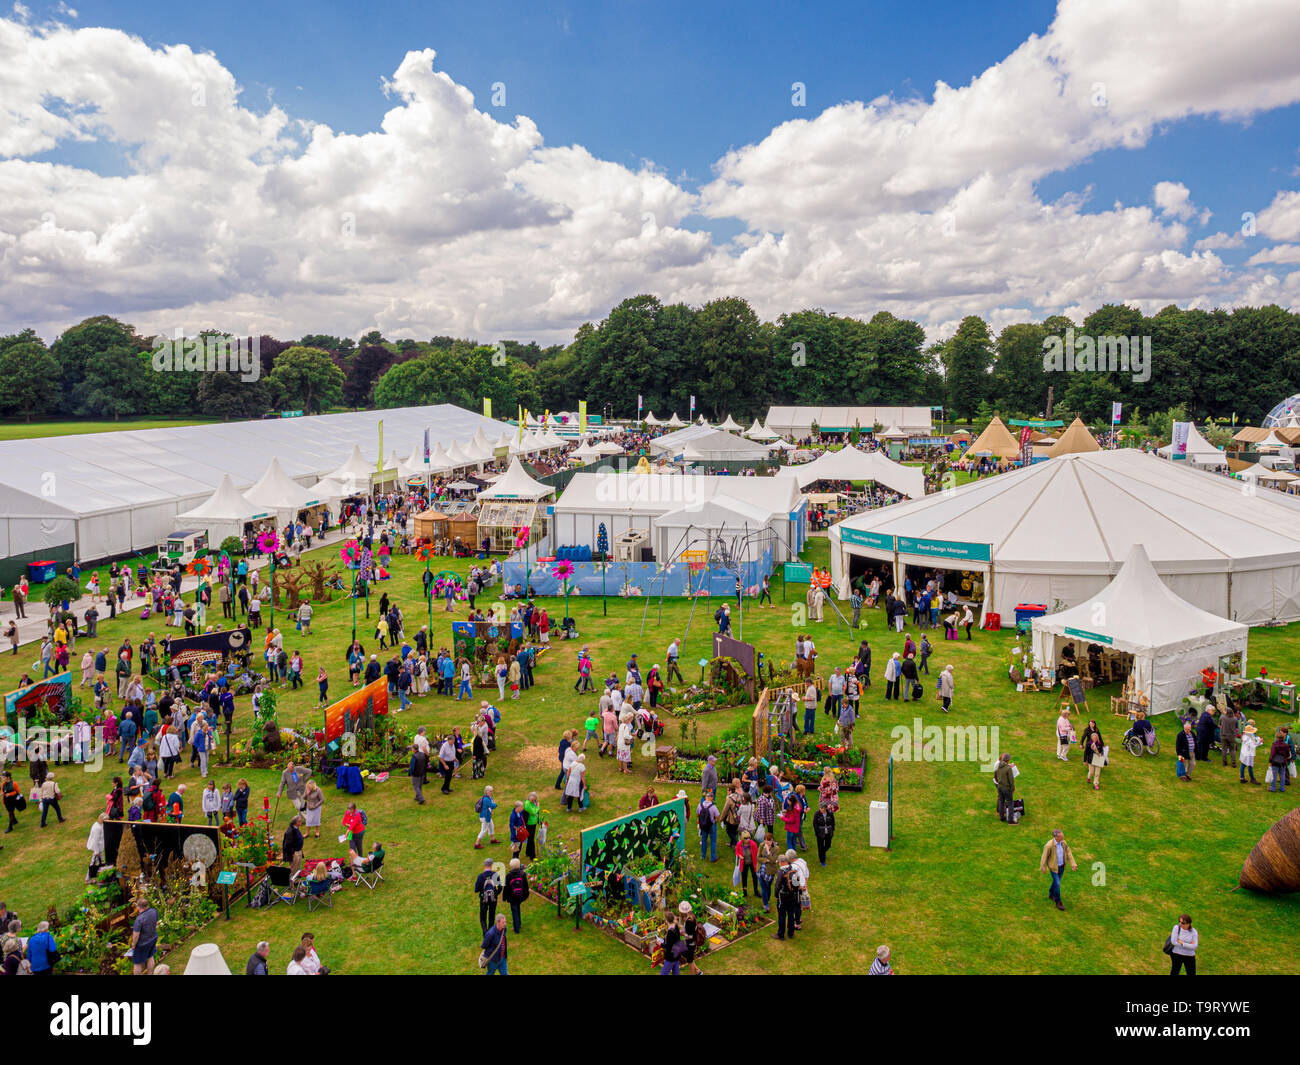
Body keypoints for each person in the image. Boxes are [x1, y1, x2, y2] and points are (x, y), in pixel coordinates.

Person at [1039, 828, 1077, 912]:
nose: (1063, 837)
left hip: (1062, 866)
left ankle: (1051, 893)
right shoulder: (1049, 845)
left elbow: (1069, 853)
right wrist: (1043, 867)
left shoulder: (1063, 842)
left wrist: (1073, 864)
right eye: (1061, 836)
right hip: (1054, 868)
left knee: (1056, 882)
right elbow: (1044, 857)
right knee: (1058, 883)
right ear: (1056, 837)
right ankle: (1058, 902)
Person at [130, 897, 159, 975]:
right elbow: (156, 924)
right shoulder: (154, 911)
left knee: (137, 963)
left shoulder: (139, 920)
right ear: (147, 905)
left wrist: (133, 945)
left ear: (138, 907)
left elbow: (136, 936)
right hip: (153, 939)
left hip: (142, 944)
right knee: (150, 956)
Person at [502, 857, 529, 933]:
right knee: (518, 908)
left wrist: (504, 897)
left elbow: (506, 887)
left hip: (512, 896)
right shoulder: (522, 874)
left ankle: (516, 928)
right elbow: (525, 885)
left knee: (514, 911)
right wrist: (526, 894)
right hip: (520, 895)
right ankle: (519, 923)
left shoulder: (509, 875)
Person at [475, 858, 500, 933]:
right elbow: (500, 887)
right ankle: (490, 932)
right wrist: (495, 894)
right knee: (491, 916)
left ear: (484, 865)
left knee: (483, 917)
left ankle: (485, 933)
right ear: (491, 865)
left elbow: (476, 889)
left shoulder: (481, 876)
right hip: (493, 899)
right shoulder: (495, 875)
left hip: (483, 898)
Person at [993, 753, 1016, 823]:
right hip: (1006, 788)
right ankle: (1011, 820)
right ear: (1008, 760)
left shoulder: (999, 765)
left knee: (1001, 801)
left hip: (999, 787)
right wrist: (1013, 788)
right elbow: (1011, 780)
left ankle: (1001, 817)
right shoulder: (1008, 768)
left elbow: (995, 776)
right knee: (1010, 803)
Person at [697, 790, 719, 862]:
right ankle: (713, 857)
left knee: (704, 840)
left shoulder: (700, 805)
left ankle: (702, 856)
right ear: (711, 798)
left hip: (703, 825)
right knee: (713, 841)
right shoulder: (713, 807)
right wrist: (715, 821)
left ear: (706, 797)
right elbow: (717, 816)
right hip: (711, 825)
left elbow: (697, 815)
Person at [1268, 728, 1291, 793]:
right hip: (1283, 762)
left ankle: (1272, 788)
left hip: (1275, 762)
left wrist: (1270, 761)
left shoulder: (1275, 744)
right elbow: (1288, 754)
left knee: (1274, 775)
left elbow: (1272, 754)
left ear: (1277, 737)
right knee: (1282, 776)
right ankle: (1282, 788)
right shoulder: (1286, 745)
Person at [812, 802, 835, 867]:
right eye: (820, 808)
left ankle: (823, 852)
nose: (820, 809)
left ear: (825, 808)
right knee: (820, 847)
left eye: (822, 808)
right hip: (820, 834)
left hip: (828, 833)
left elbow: (833, 822)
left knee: (828, 845)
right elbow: (815, 823)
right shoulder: (817, 814)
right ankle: (822, 861)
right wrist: (817, 832)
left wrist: (832, 830)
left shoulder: (830, 813)